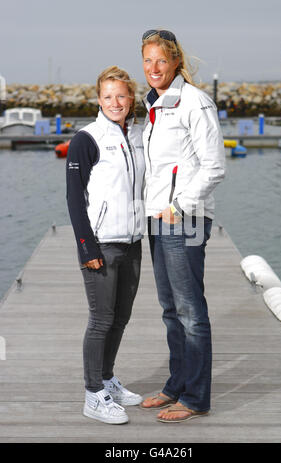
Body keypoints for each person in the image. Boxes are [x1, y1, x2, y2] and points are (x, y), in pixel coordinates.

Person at [139, 30, 225, 422]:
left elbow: (214, 167)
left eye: (161, 60)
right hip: (158, 219)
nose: (153, 68)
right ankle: (177, 385)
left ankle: (195, 398)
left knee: (190, 311)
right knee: (170, 309)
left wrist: (180, 206)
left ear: (176, 62)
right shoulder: (154, 105)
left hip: (185, 219)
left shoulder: (195, 102)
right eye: (147, 61)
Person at [66, 66, 145, 425]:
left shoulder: (137, 135)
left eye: (122, 96)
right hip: (101, 243)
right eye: (108, 96)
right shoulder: (88, 137)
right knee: (101, 320)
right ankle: (92, 394)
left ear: (130, 99)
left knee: (121, 318)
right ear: (99, 100)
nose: (115, 102)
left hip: (132, 241)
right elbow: (73, 197)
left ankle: (108, 380)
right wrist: (87, 247)